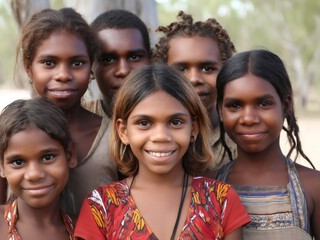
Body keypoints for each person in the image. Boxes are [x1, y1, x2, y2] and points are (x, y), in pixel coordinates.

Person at [75, 64, 251, 240]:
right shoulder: (101, 206)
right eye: (144, 123)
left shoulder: (221, 200)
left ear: (194, 128)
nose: (161, 136)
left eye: (175, 122)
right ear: (123, 131)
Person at [0, 8, 118, 221]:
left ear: (91, 67)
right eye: (49, 63)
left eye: (77, 63)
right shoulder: (0, 133)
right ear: (28, 68)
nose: (63, 75)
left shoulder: (114, 137)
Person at [215, 49, 320, 239]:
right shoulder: (209, 187)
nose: (248, 118)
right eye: (235, 105)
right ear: (220, 111)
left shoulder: (313, 187)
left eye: (263, 104)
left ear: (286, 106)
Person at [0, 97, 76, 240]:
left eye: (48, 158)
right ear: (2, 165)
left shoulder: (82, 231)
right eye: (18, 162)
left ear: (70, 156)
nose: (34, 174)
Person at [153, 11, 237, 171]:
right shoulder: (153, 137)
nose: (194, 79)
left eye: (207, 68)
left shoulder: (238, 136)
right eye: (182, 69)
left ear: (226, 71)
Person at [83, 9, 151, 118]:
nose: (123, 71)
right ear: (91, 66)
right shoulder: (71, 123)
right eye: (108, 60)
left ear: (150, 60)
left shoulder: (178, 115)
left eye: (134, 57)